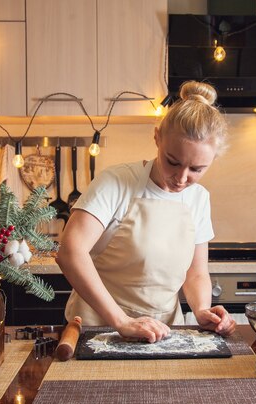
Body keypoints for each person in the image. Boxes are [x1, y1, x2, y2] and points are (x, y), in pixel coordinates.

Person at [55, 81, 236, 343]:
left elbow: (196, 273)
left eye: (196, 169)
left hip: (166, 336)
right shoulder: (115, 182)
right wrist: (122, 322)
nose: (181, 178)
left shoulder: (199, 198)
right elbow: (70, 252)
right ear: (157, 138)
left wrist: (202, 310)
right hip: (99, 331)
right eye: (172, 161)